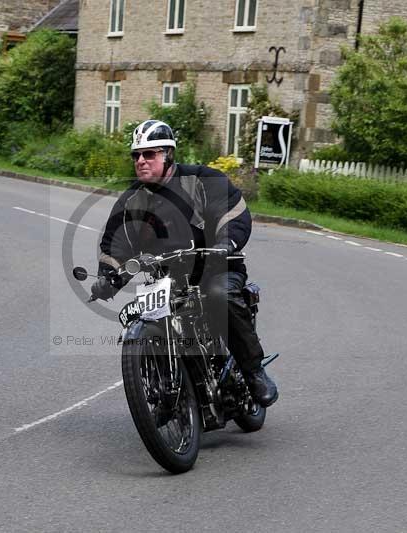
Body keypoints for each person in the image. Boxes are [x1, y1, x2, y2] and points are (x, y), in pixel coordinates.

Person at [91, 119, 278, 407]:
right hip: (166, 280)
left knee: (219, 294)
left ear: (168, 155)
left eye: (149, 154)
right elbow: (115, 244)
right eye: (136, 155)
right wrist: (109, 276)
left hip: (216, 269)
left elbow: (231, 211)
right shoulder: (131, 200)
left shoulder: (201, 180)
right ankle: (165, 384)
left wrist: (223, 244)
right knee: (140, 317)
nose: (140, 161)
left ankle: (254, 372)